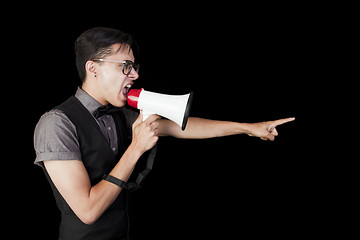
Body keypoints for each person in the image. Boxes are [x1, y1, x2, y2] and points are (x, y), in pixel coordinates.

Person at [33, 27, 295, 240]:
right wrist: (136, 148)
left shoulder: (121, 113)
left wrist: (248, 128)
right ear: (93, 68)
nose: (134, 74)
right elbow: (88, 211)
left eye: (134, 66)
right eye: (125, 66)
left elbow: (183, 127)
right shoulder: (56, 124)